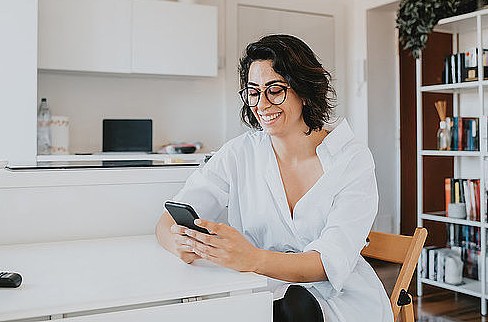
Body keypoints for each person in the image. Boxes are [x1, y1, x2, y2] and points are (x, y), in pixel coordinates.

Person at [155, 34, 392, 322]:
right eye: (254, 92)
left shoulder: (352, 160)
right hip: (261, 292)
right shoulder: (239, 153)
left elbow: (328, 264)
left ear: (305, 91)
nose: (262, 104)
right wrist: (179, 243)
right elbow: (167, 221)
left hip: (338, 301)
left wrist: (252, 258)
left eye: (275, 90)